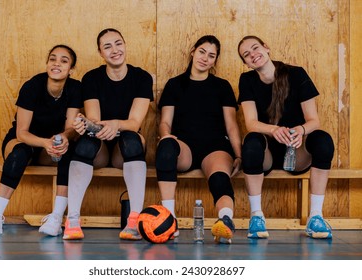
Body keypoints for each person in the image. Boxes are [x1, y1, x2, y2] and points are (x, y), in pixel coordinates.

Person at [0, 45, 83, 237]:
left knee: (69, 152)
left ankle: (56, 217)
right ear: (47, 63)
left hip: (51, 147)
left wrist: (63, 139)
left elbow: (70, 129)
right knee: (19, 153)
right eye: (52, 59)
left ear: (71, 69)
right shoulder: (33, 86)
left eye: (64, 60)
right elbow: (22, 132)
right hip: (28, 141)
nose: (57, 63)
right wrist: (44, 143)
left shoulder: (75, 88)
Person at [237, 35, 334, 239]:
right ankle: (256, 216)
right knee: (251, 142)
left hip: (296, 149)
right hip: (267, 153)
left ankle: (316, 216)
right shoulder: (247, 80)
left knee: (323, 141)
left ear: (266, 47)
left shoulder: (296, 74)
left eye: (255, 48)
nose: (253, 55)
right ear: (245, 63)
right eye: (247, 54)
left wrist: (300, 130)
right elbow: (251, 123)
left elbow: (313, 121)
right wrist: (273, 130)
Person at [63, 28, 153, 240]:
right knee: (85, 143)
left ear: (125, 45)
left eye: (118, 43)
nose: (114, 50)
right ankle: (73, 220)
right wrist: (84, 123)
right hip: (101, 146)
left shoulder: (141, 77)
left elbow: (134, 122)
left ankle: (134, 220)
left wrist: (116, 124)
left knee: (131, 140)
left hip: (126, 147)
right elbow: (94, 121)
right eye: (107, 46)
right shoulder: (92, 78)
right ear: (100, 53)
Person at [156, 35, 242, 244]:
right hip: (184, 146)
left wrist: (239, 154)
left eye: (211, 56)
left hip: (214, 147)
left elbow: (231, 125)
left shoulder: (222, 86)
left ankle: (225, 222)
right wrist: (166, 137)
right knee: (166, 146)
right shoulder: (175, 84)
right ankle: (170, 219)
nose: (205, 58)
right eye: (202, 52)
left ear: (215, 61)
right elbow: (165, 122)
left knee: (220, 177)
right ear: (193, 51)